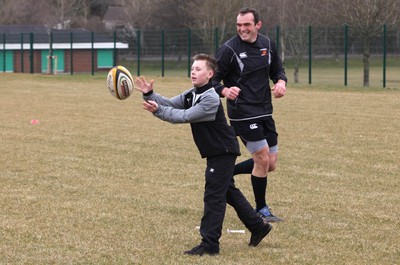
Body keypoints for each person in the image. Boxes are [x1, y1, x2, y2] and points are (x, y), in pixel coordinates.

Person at [134, 53, 272, 256]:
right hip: (216, 151)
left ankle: (210, 244)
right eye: (192, 68)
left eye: (198, 69)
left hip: (222, 151)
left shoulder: (211, 98)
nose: (193, 72)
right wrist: (150, 94)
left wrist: (157, 111)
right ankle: (258, 227)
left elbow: (183, 116)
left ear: (210, 74)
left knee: (213, 196)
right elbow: (171, 104)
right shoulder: (192, 93)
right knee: (227, 192)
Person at [212, 7, 287, 223]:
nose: (242, 29)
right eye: (239, 25)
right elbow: (212, 79)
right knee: (262, 157)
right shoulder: (228, 49)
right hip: (242, 112)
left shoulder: (267, 44)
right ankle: (261, 209)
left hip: (265, 109)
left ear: (257, 25)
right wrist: (225, 91)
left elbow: (278, 71)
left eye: (246, 25)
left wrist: (281, 83)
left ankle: (226, 174)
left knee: (270, 164)